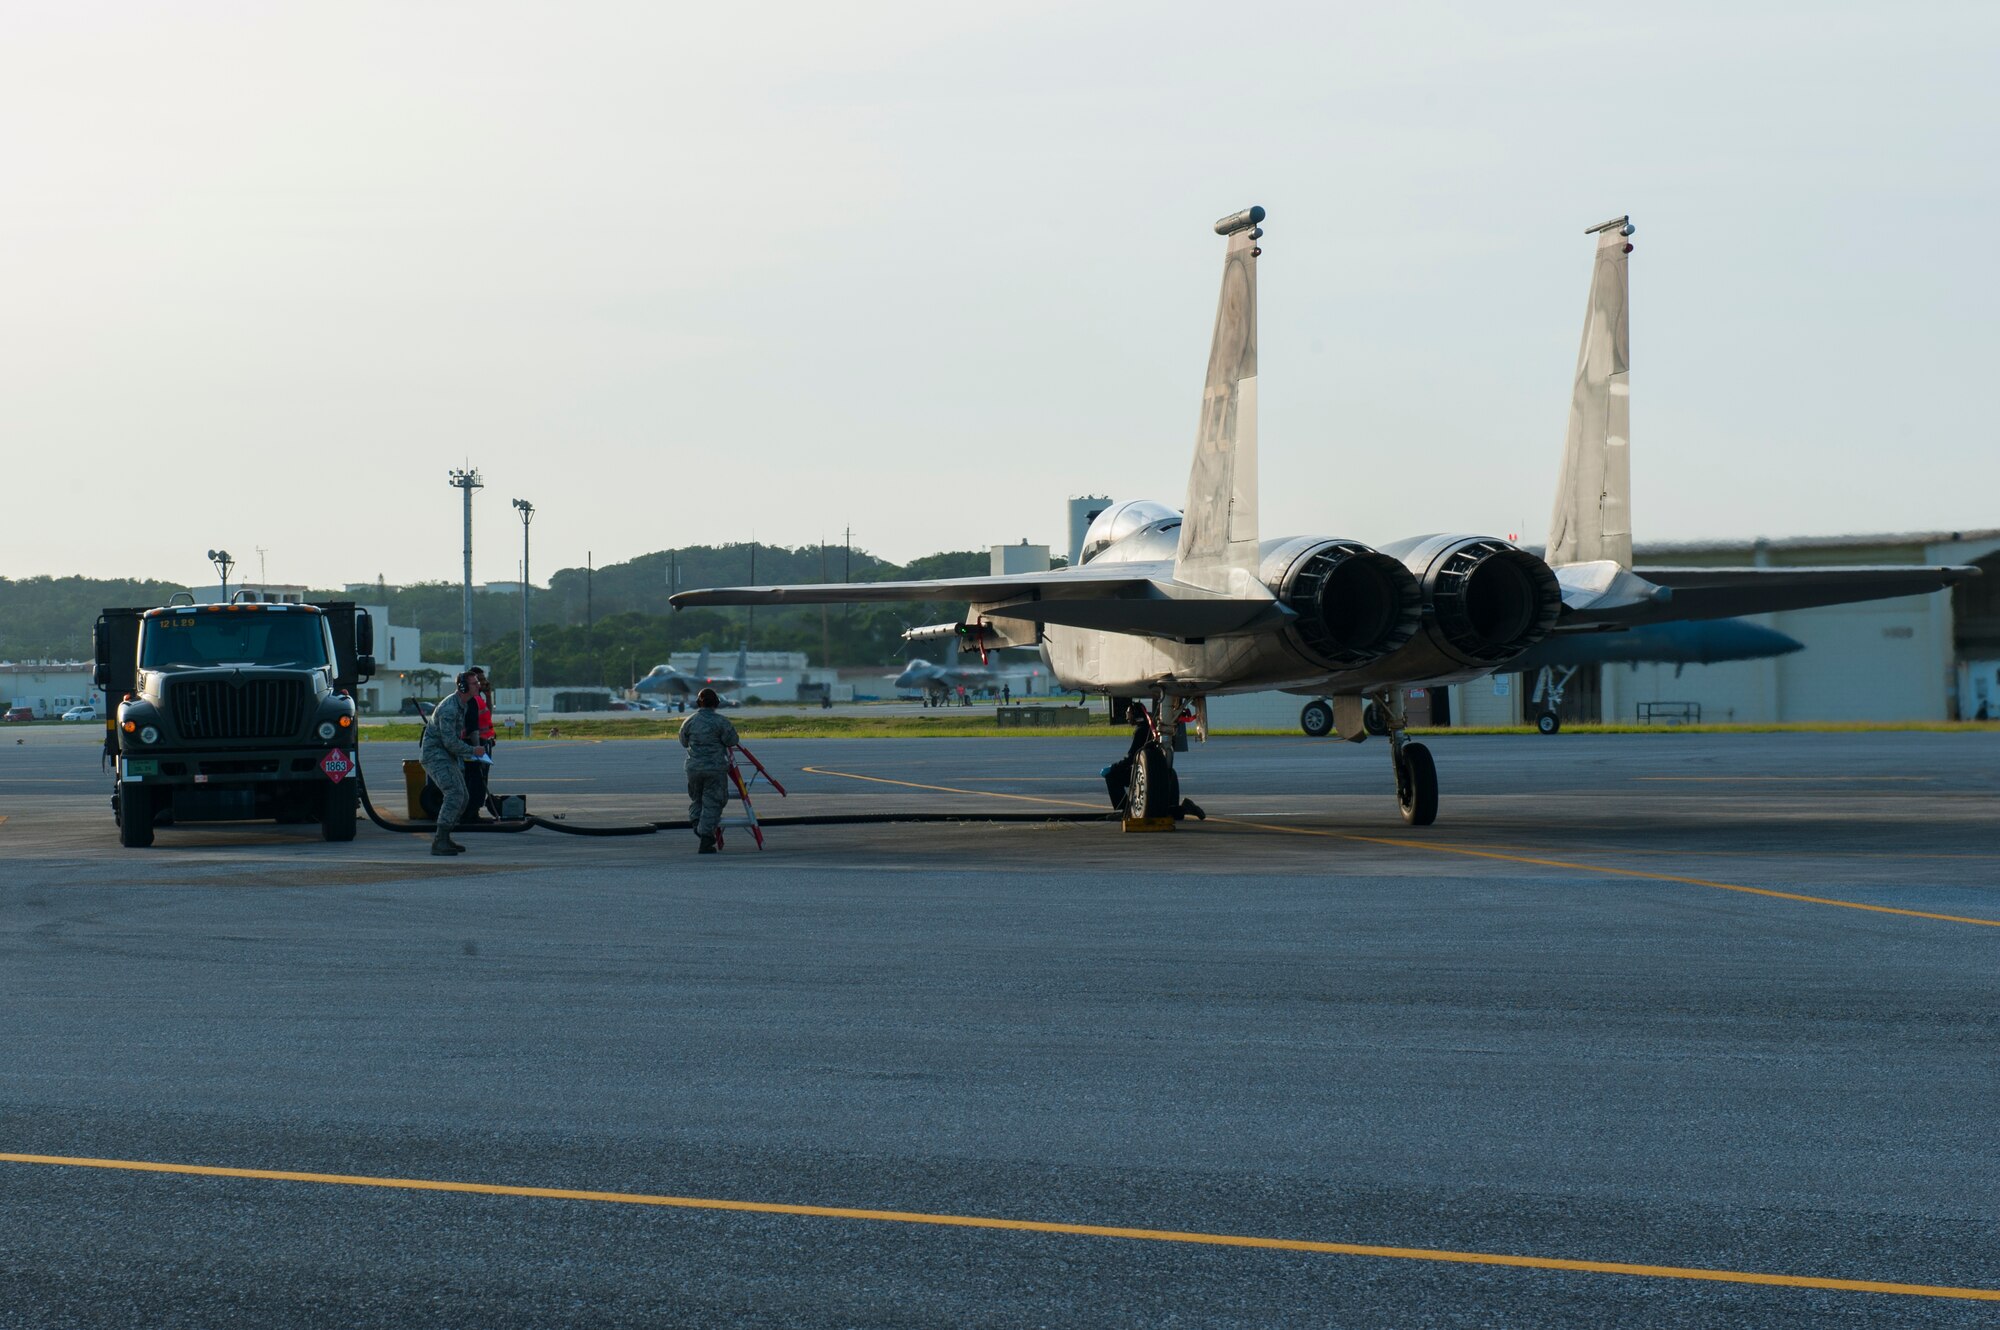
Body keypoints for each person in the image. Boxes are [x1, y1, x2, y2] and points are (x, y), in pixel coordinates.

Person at [421, 672, 484, 855]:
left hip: (447, 755)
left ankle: (446, 837)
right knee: (455, 794)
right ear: (463, 687)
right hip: (436, 756)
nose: (477, 686)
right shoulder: (450, 708)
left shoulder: (462, 704)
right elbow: (449, 741)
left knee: (463, 796)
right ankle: (439, 841)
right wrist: (473, 751)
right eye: (474, 683)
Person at [678, 686, 740, 853]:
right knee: (713, 802)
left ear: (698, 703)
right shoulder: (721, 722)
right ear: (716, 704)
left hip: (693, 769)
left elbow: (683, 742)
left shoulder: (689, 721)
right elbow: (732, 740)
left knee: (697, 800)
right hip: (714, 769)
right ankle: (705, 837)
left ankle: (697, 824)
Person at [459, 666, 496, 821]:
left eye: (481, 680)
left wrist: (488, 695)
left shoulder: (478, 697)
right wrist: (477, 750)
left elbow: (487, 714)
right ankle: (471, 812)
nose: (481, 683)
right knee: (476, 779)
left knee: (481, 778)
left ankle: (473, 810)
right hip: (475, 743)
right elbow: (472, 727)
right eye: (477, 681)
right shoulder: (471, 700)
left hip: (483, 742)